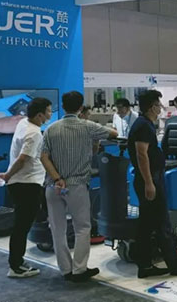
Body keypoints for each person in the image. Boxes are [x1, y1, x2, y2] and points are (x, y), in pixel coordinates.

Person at [40, 91, 118, 282]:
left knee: (57, 229)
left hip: (53, 185)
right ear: (81, 107)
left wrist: (57, 178)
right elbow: (114, 134)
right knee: (82, 227)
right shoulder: (87, 126)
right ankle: (79, 269)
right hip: (76, 185)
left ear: (63, 106)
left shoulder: (51, 129)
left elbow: (43, 157)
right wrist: (95, 139)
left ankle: (65, 269)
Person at [128, 90, 177, 279]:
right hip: (151, 179)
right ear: (152, 107)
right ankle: (174, 265)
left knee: (146, 225)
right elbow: (141, 154)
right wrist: (149, 183)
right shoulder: (143, 126)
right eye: (158, 105)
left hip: (151, 177)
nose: (160, 108)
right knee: (162, 224)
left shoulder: (144, 124)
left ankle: (145, 265)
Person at [0, 98, 52, 279]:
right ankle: (16, 266)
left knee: (22, 225)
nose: (51, 114)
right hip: (26, 184)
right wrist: (7, 175)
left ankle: (17, 262)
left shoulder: (22, 123)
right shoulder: (34, 133)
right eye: (49, 111)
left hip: (23, 183)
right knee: (21, 227)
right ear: (40, 115)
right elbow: (22, 159)